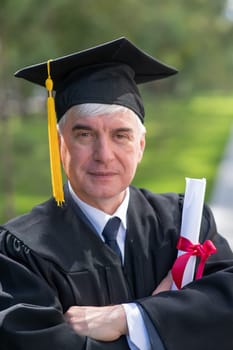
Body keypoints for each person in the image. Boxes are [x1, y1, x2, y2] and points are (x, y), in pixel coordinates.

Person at [0, 37, 232, 350]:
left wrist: (130, 318)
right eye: (85, 134)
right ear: (59, 145)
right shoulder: (20, 251)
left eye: (121, 135)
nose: (103, 154)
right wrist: (171, 324)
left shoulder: (183, 223)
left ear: (141, 146)